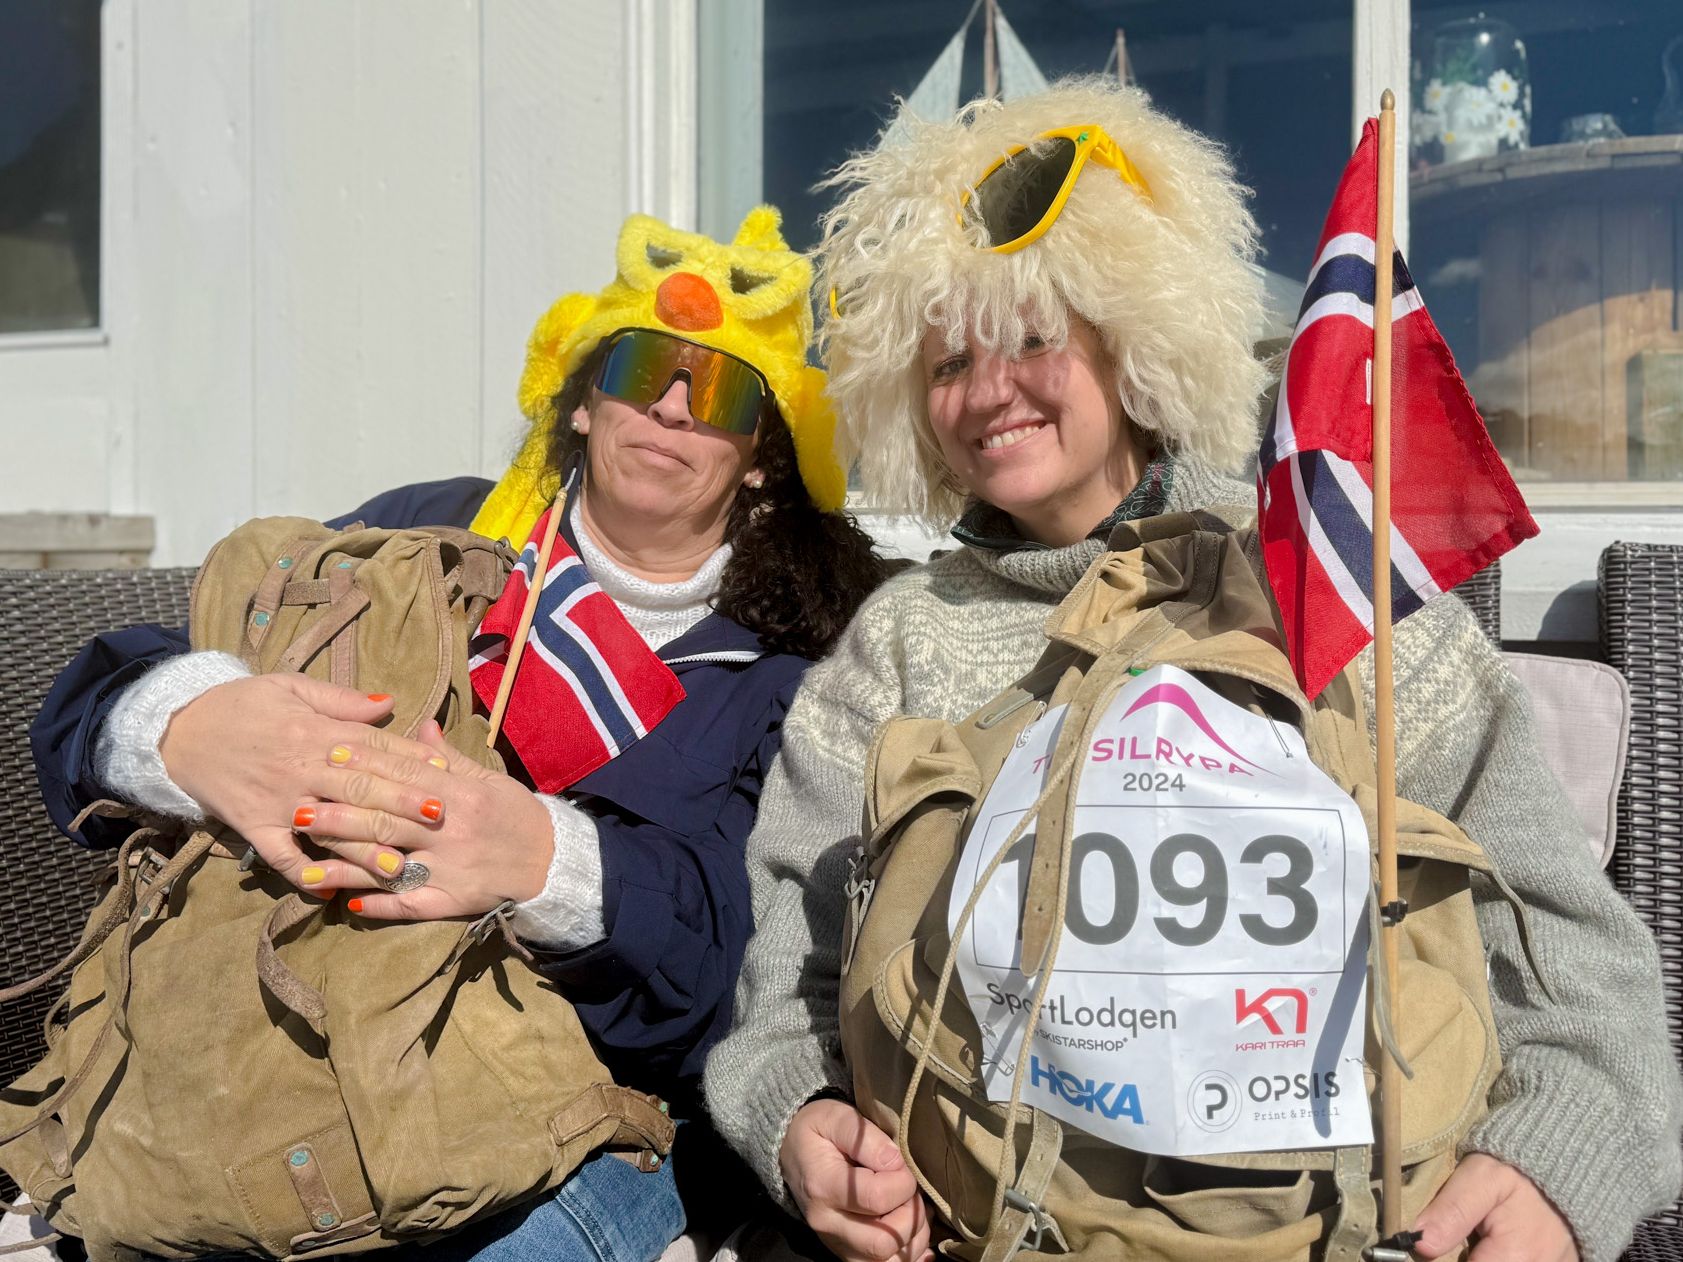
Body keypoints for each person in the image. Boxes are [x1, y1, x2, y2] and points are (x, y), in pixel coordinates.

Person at [704, 79, 1683, 1262]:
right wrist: (801, 1116)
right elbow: (797, 965)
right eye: (948, 359)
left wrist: (1552, 1164)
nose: (988, 391)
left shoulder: (1321, 576)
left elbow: (1569, 949)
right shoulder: (904, 640)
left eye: (1032, 337)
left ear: (1133, 340)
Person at [30, 206, 886, 1260]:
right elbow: (86, 701)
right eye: (640, 368)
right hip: (274, 1049)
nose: (671, 405)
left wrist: (546, 862)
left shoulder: (796, 666)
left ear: (761, 456)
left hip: (576, 1118)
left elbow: (753, 976)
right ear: (582, 402)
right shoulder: (430, 533)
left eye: (719, 392)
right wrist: (187, 722)